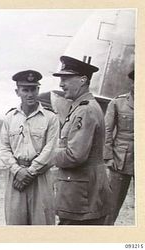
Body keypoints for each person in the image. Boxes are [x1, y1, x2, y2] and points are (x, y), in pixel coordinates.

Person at [52, 56, 111, 225]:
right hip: (83, 194)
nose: (61, 84)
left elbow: (75, 155)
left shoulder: (85, 110)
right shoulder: (82, 107)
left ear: (83, 80)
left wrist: (47, 155)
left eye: (66, 79)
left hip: (81, 197)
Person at [0, 70, 58, 225]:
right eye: (25, 90)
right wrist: (18, 171)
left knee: (42, 224)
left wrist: (30, 173)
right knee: (16, 225)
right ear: (17, 91)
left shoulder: (50, 118)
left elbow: (51, 149)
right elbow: (4, 148)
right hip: (16, 177)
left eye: (33, 89)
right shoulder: (9, 118)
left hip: (40, 177)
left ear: (38, 90)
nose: (30, 94)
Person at [103, 70, 134, 225]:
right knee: (111, 206)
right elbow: (107, 130)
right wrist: (108, 157)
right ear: (132, 83)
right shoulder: (118, 102)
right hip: (121, 160)